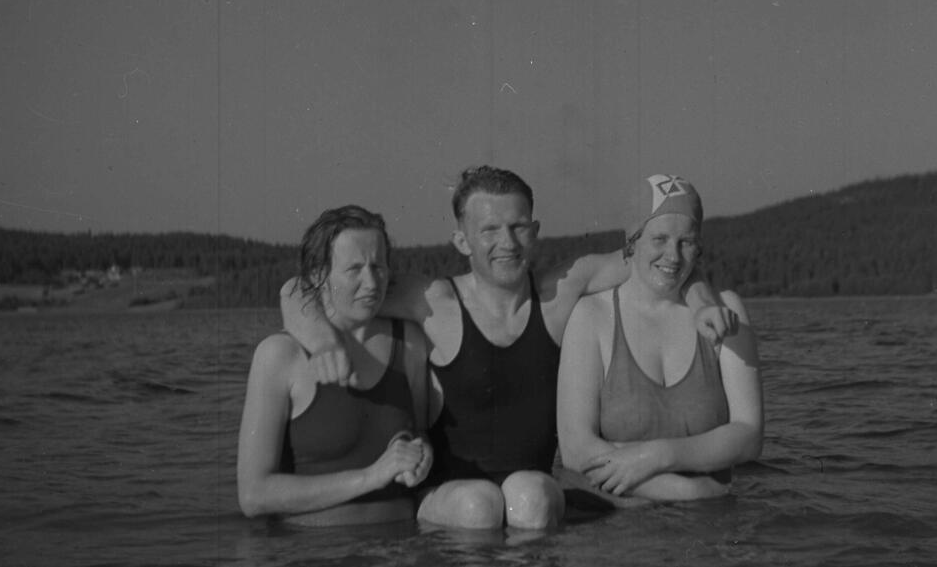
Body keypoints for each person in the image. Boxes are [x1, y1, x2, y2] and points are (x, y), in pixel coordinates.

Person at [279, 166, 736, 530]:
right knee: (479, 505)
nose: (507, 243)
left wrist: (701, 302)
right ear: (462, 240)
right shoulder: (433, 301)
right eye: (490, 230)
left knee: (529, 497)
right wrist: (322, 342)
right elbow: (299, 289)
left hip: (534, 491)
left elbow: (663, 259)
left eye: (518, 227)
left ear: (535, 231)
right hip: (449, 497)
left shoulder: (560, 292)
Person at [556, 175, 763, 504]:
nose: (673, 256)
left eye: (686, 242)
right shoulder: (591, 315)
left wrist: (656, 456)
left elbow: (749, 437)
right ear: (632, 242)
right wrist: (687, 491)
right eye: (660, 239)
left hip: (706, 528)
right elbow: (576, 450)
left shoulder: (725, 310)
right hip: (633, 521)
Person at [237, 205, 434, 526]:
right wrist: (371, 476)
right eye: (354, 269)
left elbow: (421, 431)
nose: (371, 282)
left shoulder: (409, 342)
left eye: (378, 266)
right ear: (319, 276)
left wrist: (422, 454)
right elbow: (253, 496)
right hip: (314, 547)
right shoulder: (279, 355)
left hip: (405, 544)